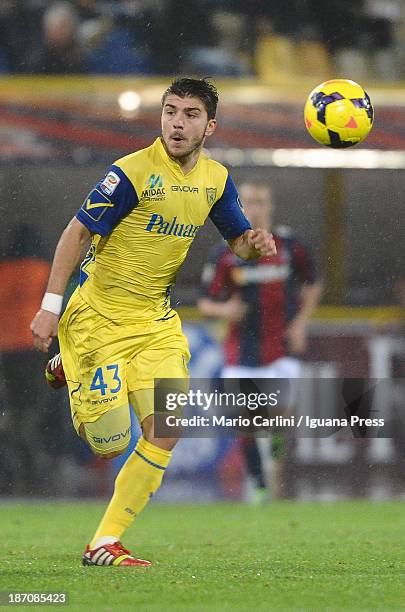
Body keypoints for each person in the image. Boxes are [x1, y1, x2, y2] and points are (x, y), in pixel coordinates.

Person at [30, 78, 276, 567]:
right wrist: (50, 305)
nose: (177, 123)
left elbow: (238, 241)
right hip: (97, 318)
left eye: (189, 114)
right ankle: (68, 364)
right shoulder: (131, 174)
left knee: (169, 426)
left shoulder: (216, 179)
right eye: (169, 112)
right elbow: (76, 233)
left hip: (155, 323)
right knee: (111, 442)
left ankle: (104, 541)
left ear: (210, 125)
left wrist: (255, 244)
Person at [198, 182, 322, 501]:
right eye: (249, 202)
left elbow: (313, 283)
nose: (256, 208)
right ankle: (258, 483)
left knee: (280, 417)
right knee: (249, 423)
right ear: (240, 207)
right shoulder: (226, 253)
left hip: (282, 345)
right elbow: (205, 302)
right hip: (241, 350)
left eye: (261, 201)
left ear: (271, 205)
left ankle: (272, 470)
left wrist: (300, 324)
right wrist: (225, 309)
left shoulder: (291, 246)